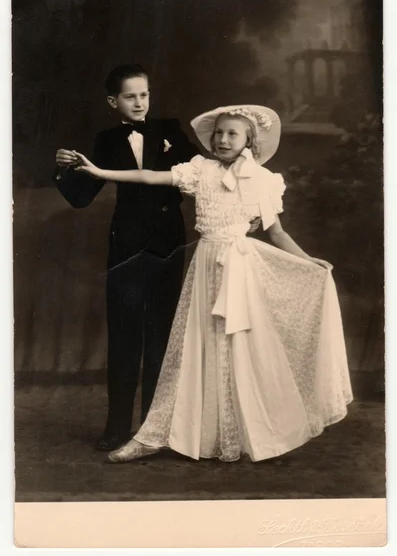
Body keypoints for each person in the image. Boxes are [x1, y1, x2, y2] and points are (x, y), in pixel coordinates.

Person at [74, 104, 353, 463]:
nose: (222, 139)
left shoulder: (264, 181)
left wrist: (308, 260)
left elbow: (277, 233)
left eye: (232, 134)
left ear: (249, 140)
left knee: (243, 346)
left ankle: (253, 431)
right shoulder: (200, 170)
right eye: (218, 133)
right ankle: (171, 434)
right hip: (205, 266)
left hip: (241, 268)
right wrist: (98, 170)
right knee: (198, 344)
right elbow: (148, 177)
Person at [53, 64, 200, 451]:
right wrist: (62, 170)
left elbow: (204, 174)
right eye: (130, 96)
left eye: (144, 94)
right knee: (124, 335)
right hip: (126, 247)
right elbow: (81, 198)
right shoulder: (105, 141)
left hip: (170, 244)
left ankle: (155, 430)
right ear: (112, 101)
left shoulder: (171, 130)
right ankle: (117, 428)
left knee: (161, 338)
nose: (139, 102)